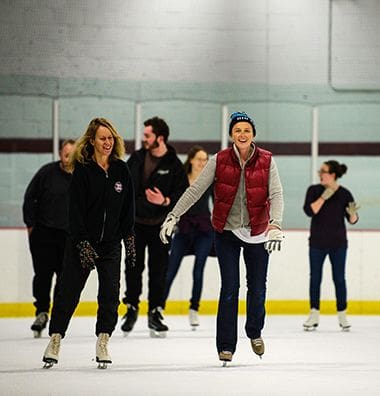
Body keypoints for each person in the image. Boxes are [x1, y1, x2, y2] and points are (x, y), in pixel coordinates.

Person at [160, 111, 284, 364]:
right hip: (226, 231)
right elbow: (196, 190)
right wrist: (174, 215)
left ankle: (254, 331)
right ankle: (226, 345)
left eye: (246, 130)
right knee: (229, 289)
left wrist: (275, 224)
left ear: (253, 135)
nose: (242, 134)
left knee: (258, 288)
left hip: (258, 231)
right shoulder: (219, 160)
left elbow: (277, 194)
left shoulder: (267, 160)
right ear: (231, 134)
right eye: (237, 130)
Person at [42, 117, 135, 369]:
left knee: (110, 296)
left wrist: (130, 239)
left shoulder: (121, 170)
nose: (107, 142)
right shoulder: (82, 169)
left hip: (110, 245)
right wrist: (82, 242)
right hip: (81, 242)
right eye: (102, 138)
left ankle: (103, 341)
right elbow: (75, 211)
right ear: (92, 141)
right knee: (68, 294)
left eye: (110, 138)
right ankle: (55, 338)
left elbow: (127, 209)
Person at [121, 116, 188, 338]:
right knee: (132, 266)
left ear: (160, 138)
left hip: (161, 228)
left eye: (147, 135)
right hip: (135, 225)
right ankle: (131, 308)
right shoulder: (138, 158)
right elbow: (125, 186)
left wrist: (165, 202)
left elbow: (184, 194)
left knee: (158, 271)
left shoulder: (174, 164)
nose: (144, 139)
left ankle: (155, 312)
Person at [23, 139, 75, 338]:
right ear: (60, 152)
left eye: (71, 152)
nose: (67, 156)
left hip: (69, 238)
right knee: (43, 277)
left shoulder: (81, 176)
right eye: (65, 152)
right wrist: (30, 226)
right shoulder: (47, 173)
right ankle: (42, 312)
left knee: (64, 282)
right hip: (43, 235)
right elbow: (29, 198)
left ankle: (57, 319)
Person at [303, 160, 359, 332]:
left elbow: (353, 220)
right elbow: (309, 211)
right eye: (320, 171)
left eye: (323, 171)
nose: (320, 173)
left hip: (338, 244)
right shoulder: (314, 190)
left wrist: (352, 213)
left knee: (339, 279)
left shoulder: (345, 194)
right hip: (317, 243)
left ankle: (342, 315)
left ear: (333, 174)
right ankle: (314, 314)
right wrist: (324, 196)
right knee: (315, 278)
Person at [163, 145, 214, 329]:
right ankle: (159, 307)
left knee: (198, 269)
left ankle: (194, 309)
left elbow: (218, 203)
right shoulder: (180, 179)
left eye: (205, 159)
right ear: (191, 159)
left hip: (204, 230)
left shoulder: (209, 180)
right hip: (183, 228)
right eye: (199, 159)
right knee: (170, 270)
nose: (203, 162)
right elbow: (173, 200)